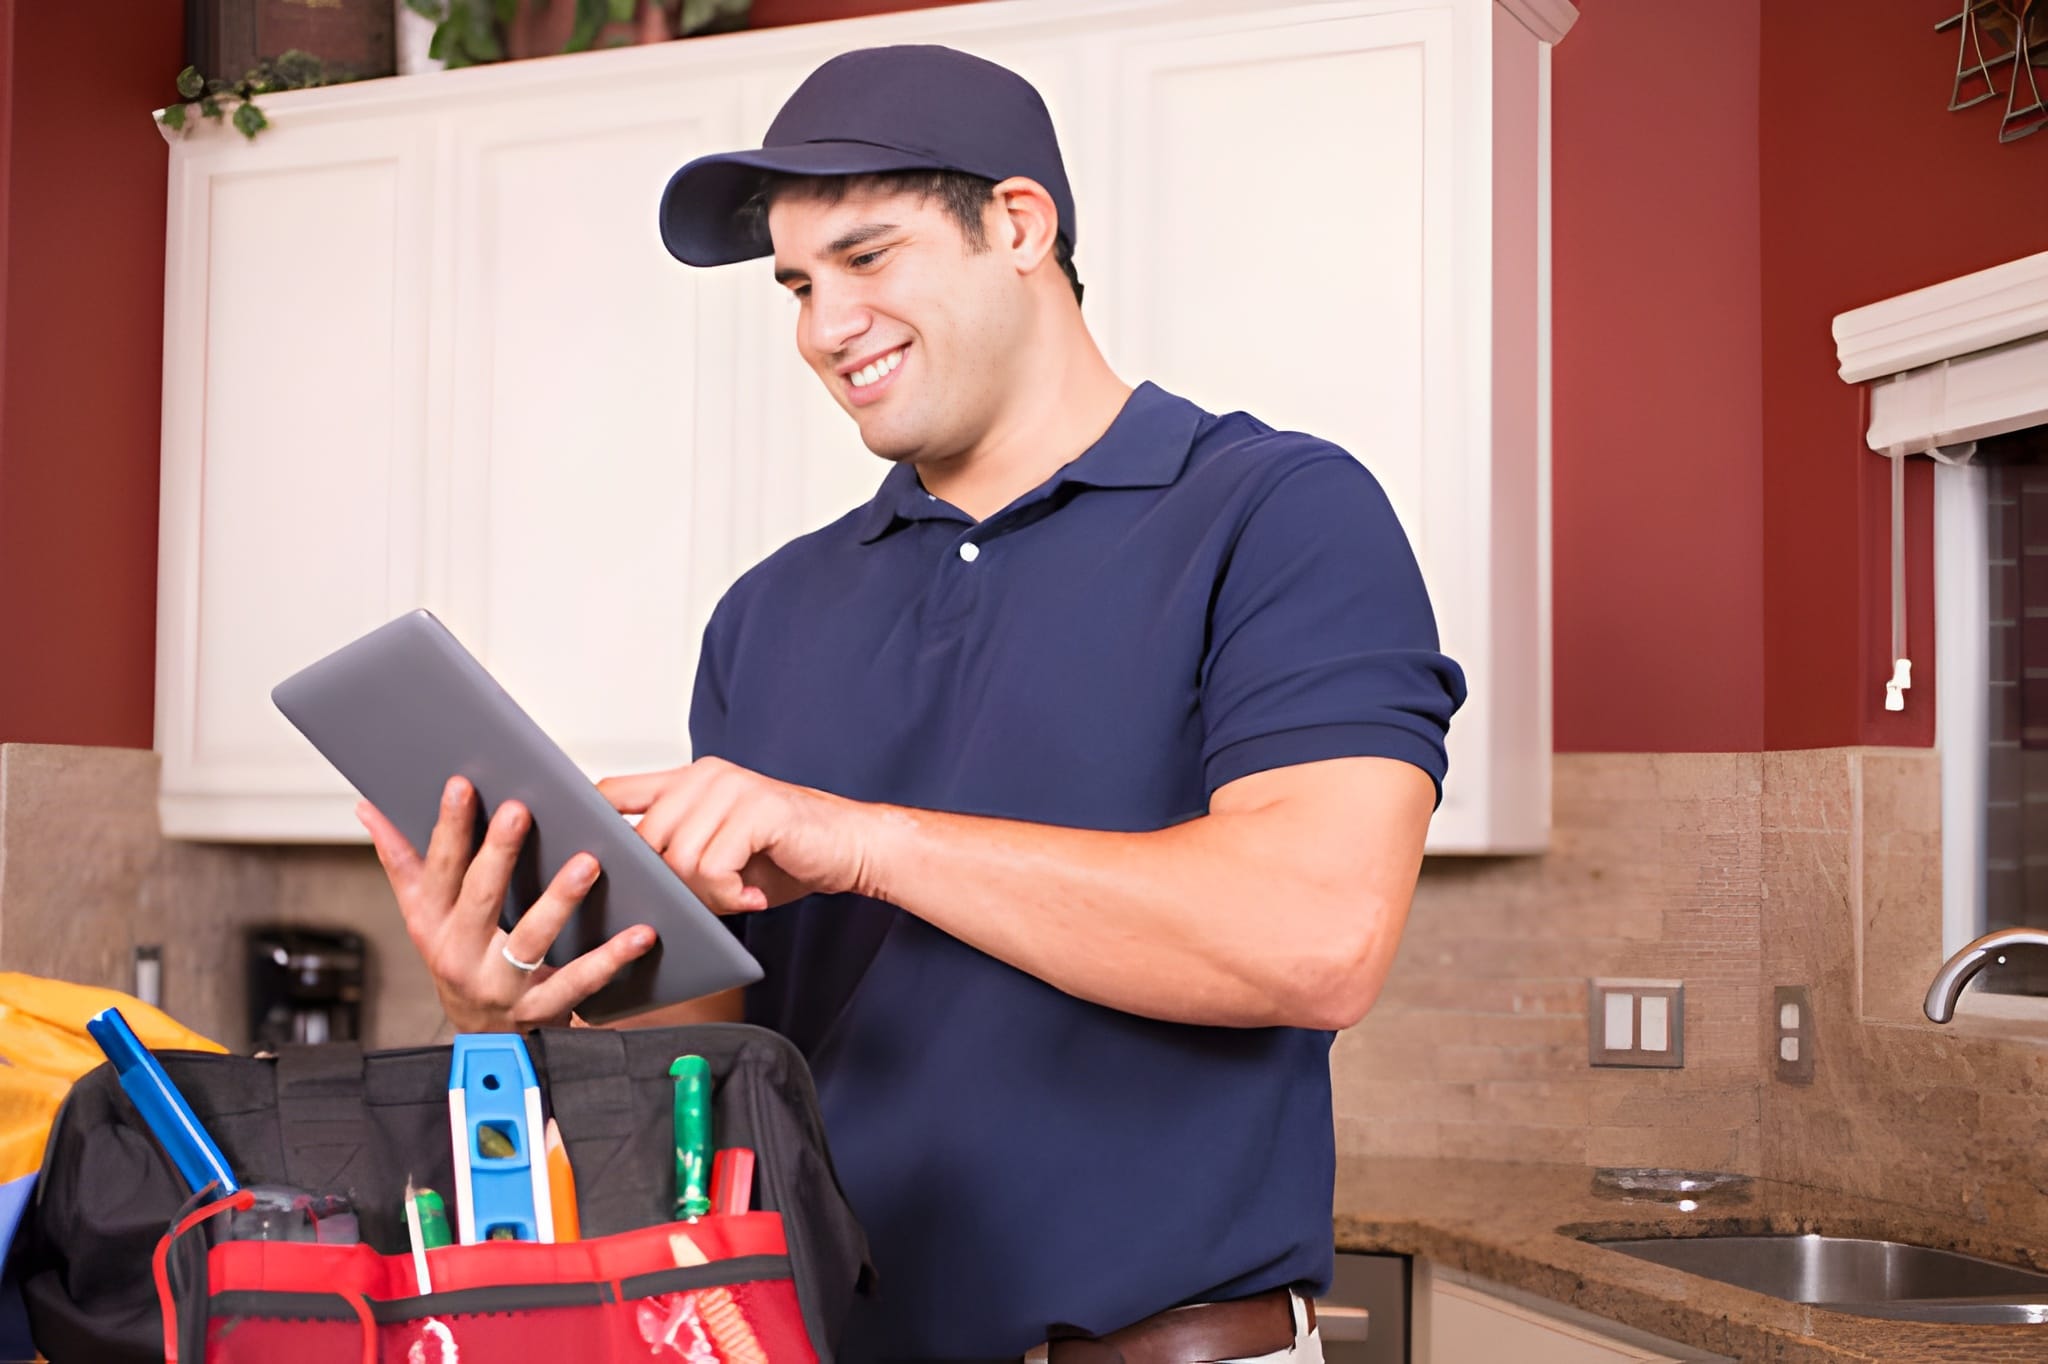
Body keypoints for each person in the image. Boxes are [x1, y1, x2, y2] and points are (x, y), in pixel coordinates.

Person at [358, 43, 1465, 1363]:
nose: (827, 327)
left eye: (869, 258)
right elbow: (706, 1078)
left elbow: (1315, 936)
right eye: (799, 284)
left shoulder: (1277, 515)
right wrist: (525, 1005)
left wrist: (865, 843)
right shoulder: (771, 612)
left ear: (1017, 225)